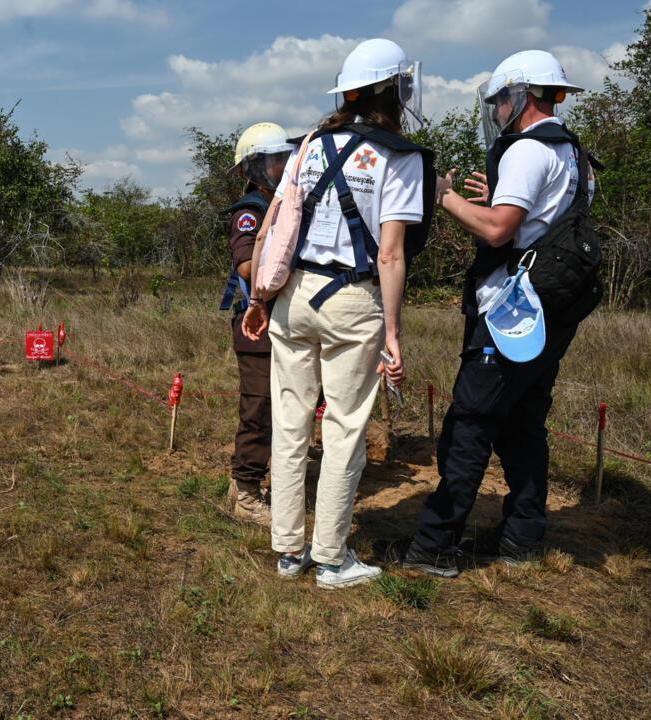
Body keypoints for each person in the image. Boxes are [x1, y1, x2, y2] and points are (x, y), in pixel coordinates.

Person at [375, 50, 593, 577]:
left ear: (519, 96)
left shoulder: (526, 151)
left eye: (498, 100)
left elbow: (499, 231)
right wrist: (498, 200)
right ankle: (521, 538)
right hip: (551, 314)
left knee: (469, 425)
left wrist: (445, 197)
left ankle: (434, 547)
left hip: (510, 314)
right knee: (523, 424)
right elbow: (538, 222)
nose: (496, 111)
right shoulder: (574, 155)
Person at [242, 38, 434, 589]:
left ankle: (286, 550)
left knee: (290, 419)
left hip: (295, 297)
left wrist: (260, 298)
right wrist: (393, 331)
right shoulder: (399, 158)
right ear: (396, 90)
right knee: (345, 427)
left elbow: (281, 228)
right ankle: (330, 557)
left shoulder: (309, 146)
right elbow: (392, 252)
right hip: (354, 300)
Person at [221, 122, 294, 526]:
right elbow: (248, 265)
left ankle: (244, 481)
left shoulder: (284, 204)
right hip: (255, 323)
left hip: (277, 318)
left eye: (283, 158)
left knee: (277, 405)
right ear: (253, 168)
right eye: (271, 161)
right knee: (259, 407)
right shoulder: (251, 212)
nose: (280, 166)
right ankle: (247, 494)